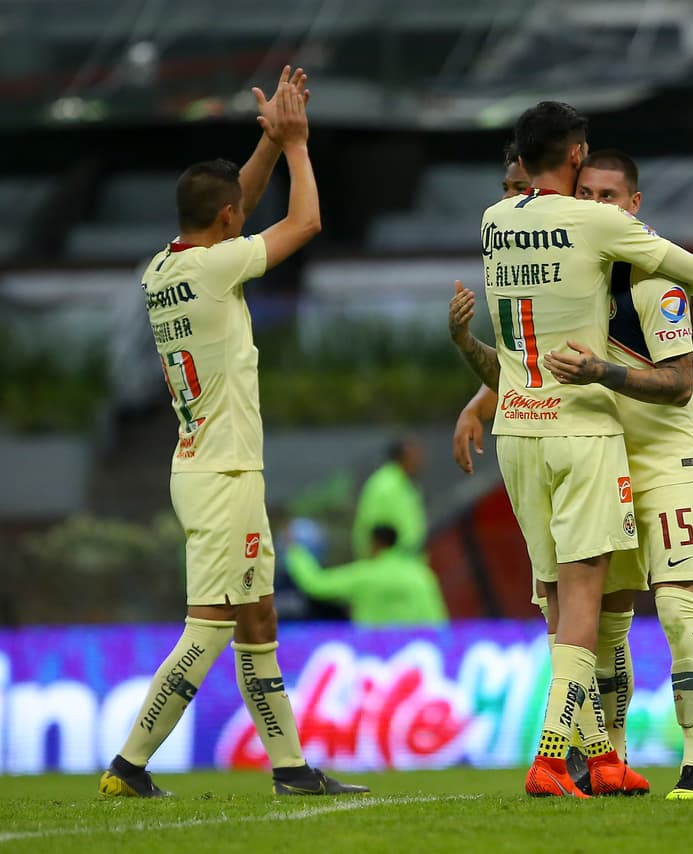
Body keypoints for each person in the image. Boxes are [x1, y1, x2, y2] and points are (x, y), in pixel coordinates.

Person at [99, 67, 366, 798]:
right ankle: (128, 765)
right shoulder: (220, 268)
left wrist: (268, 143)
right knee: (212, 624)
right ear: (224, 224)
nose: (240, 218)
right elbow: (304, 223)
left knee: (257, 615)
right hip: (223, 474)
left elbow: (231, 202)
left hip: (203, 464)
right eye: (235, 216)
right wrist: (299, 147)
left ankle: (290, 770)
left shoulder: (163, 268)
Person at [451, 101, 693, 798]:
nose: (596, 200)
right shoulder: (595, 236)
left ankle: (653, 761)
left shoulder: (499, 223)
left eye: (610, 197)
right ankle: (578, 757)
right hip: (590, 439)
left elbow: (677, 381)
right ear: (575, 162)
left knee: (616, 603)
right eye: (589, 185)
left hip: (589, 441)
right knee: (587, 608)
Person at [285, 526, 448, 626]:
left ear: (375, 543)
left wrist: (295, 551)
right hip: (418, 657)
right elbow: (438, 620)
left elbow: (316, 584)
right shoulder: (421, 574)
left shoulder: (365, 575)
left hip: (376, 658)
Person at [352, 435, 427, 559]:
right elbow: (371, 529)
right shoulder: (384, 485)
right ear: (402, 457)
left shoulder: (407, 484)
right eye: (415, 454)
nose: (420, 460)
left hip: (407, 564)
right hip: (390, 567)